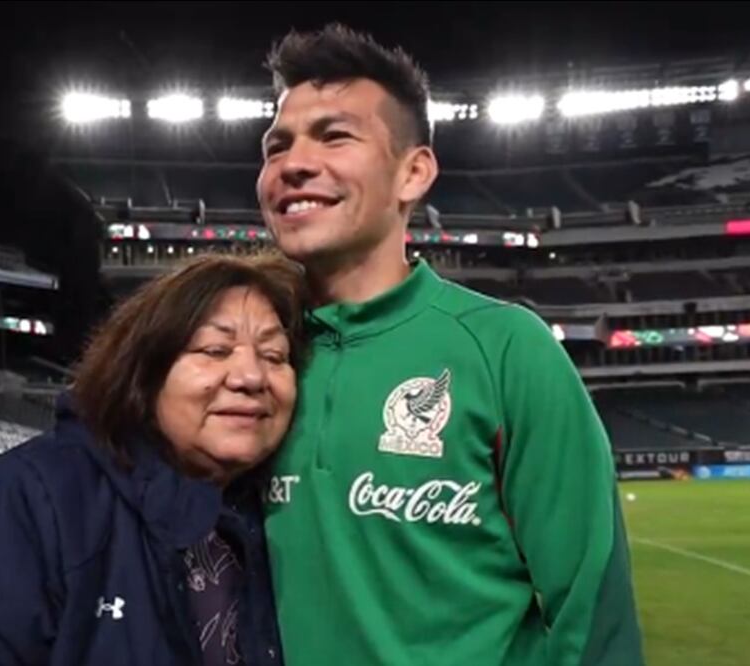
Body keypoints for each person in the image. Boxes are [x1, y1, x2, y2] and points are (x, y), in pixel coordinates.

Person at [256, 24, 645, 666]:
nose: (292, 164)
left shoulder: (506, 349)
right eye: (277, 145)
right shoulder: (251, 361)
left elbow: (593, 611)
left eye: (335, 136)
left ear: (413, 173)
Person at [0, 254, 307, 666]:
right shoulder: (42, 496)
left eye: (274, 356)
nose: (251, 377)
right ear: (144, 372)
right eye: (215, 350)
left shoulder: (289, 510)